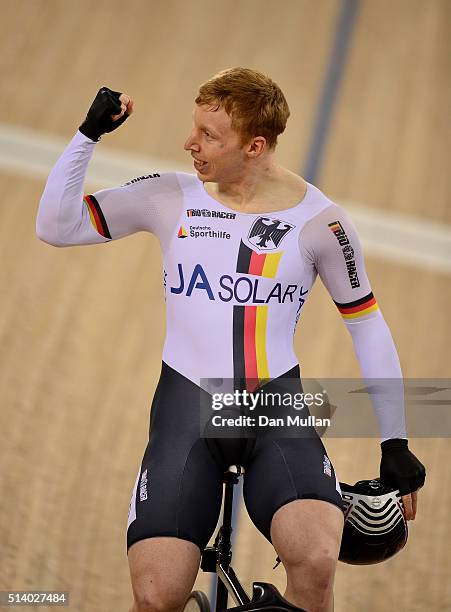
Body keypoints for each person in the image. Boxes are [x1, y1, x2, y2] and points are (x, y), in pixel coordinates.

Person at [36, 69, 425, 612]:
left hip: (274, 410)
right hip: (186, 410)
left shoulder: (322, 224)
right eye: (194, 128)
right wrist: (87, 136)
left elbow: (367, 326)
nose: (190, 143)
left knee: (315, 563)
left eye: (209, 136)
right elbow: (56, 226)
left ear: (255, 146)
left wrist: (395, 442)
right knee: (155, 596)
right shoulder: (169, 196)